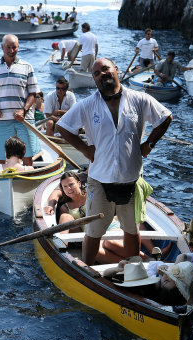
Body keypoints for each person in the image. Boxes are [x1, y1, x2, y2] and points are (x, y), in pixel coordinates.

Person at [56, 57, 172, 266]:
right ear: (95, 80)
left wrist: (149, 145)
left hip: (130, 179)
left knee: (131, 229)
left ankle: (133, 270)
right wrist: (85, 149)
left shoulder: (139, 99)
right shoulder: (88, 105)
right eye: (97, 73)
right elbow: (63, 127)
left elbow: (165, 118)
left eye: (105, 69)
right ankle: (87, 270)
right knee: (93, 230)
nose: (102, 75)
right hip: (99, 179)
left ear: (116, 70)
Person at [0, 34, 41, 166]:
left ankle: (29, 184)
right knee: (0, 157)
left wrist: (24, 110)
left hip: (25, 119)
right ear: (2, 47)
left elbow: (33, 93)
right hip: (1, 120)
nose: (11, 51)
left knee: (28, 156)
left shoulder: (27, 66)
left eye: (14, 47)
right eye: (8, 47)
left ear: (18, 47)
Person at [103, 256, 193, 305]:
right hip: (140, 271)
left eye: (167, 281)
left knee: (137, 259)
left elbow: (106, 275)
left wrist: (118, 269)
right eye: (169, 274)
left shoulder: (151, 285)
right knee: (141, 259)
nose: (166, 276)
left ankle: (151, 257)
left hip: (136, 273)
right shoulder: (159, 282)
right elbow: (183, 256)